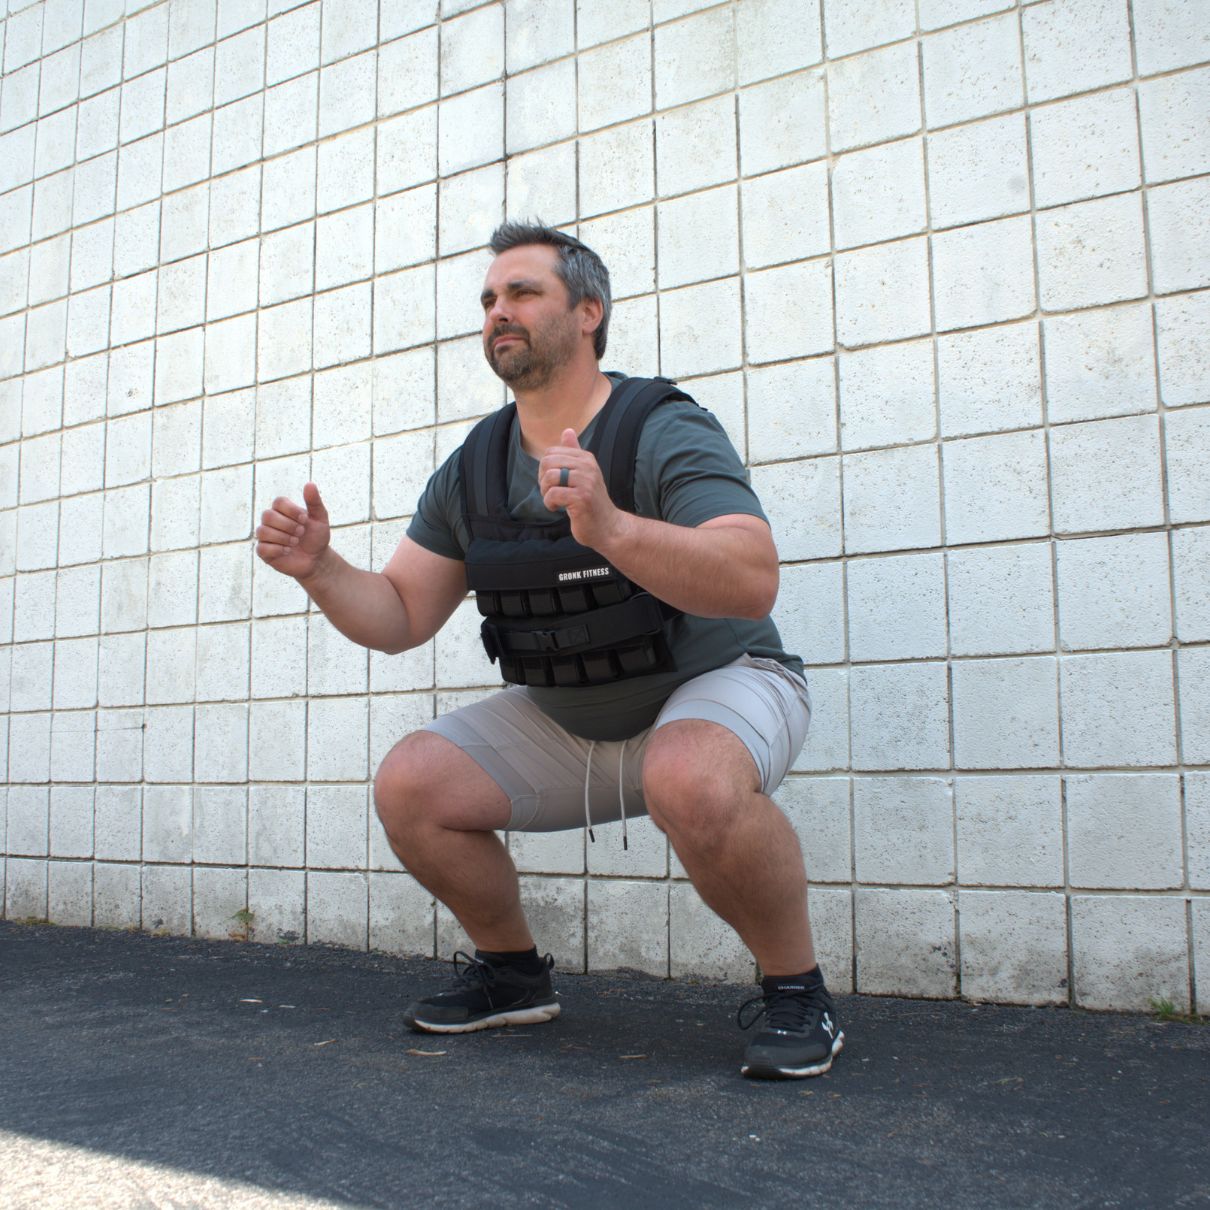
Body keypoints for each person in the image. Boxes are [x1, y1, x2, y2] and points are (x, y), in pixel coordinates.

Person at [255, 221, 842, 1080]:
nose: (499, 311)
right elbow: (399, 614)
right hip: (575, 719)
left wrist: (609, 525)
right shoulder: (476, 466)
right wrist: (321, 569)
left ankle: (799, 992)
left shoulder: (660, 425)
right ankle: (512, 976)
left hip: (723, 686)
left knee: (685, 772)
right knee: (412, 782)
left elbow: (752, 577)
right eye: (489, 299)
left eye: (523, 292)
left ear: (590, 311)